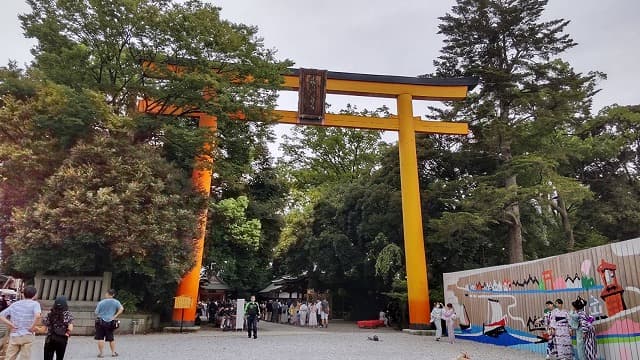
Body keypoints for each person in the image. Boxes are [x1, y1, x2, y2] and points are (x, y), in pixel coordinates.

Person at [0, 285, 42, 360]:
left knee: (10, 357)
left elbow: (1, 315)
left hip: (15, 334)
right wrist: (32, 327)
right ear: (35, 295)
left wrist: (11, 325)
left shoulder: (15, 304)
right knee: (25, 357)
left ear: (23, 294)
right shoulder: (35, 304)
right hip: (27, 334)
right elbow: (37, 316)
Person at [42, 296, 74, 360]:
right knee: (59, 357)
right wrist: (67, 333)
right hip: (62, 339)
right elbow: (70, 328)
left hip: (50, 338)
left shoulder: (50, 314)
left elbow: (44, 328)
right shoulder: (68, 315)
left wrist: (35, 328)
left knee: (48, 358)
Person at [94, 289, 124, 358]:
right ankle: (113, 353)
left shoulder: (101, 302)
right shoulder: (116, 302)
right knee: (111, 338)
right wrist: (115, 316)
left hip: (101, 322)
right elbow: (121, 309)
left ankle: (101, 354)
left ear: (107, 294)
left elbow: (96, 312)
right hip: (110, 322)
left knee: (100, 338)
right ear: (113, 295)